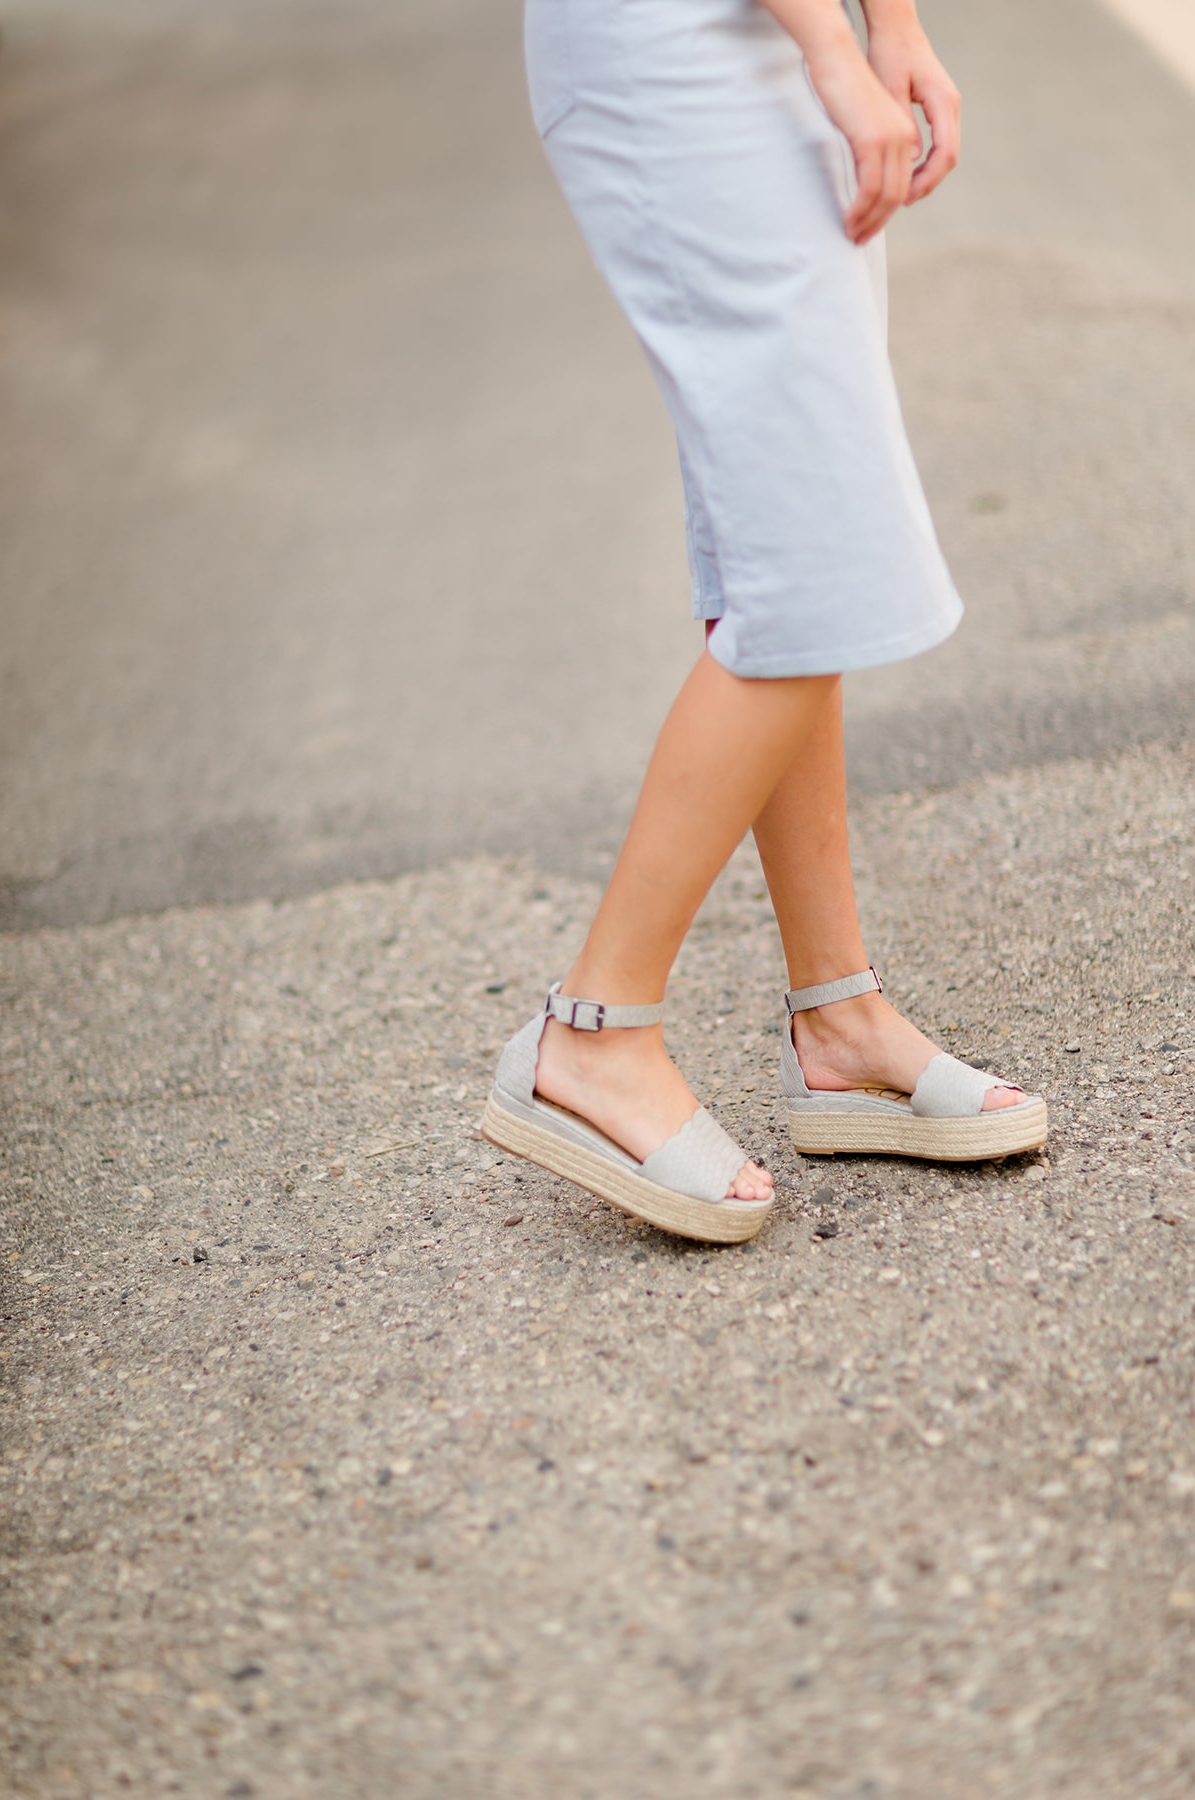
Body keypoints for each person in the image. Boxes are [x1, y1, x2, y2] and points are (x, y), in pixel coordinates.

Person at [482, 0, 1047, 1244]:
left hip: (756, 34)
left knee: (787, 544)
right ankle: (595, 1032)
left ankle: (839, 1020)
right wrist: (837, 45)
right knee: (816, 547)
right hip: (670, 45)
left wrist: (882, 23)